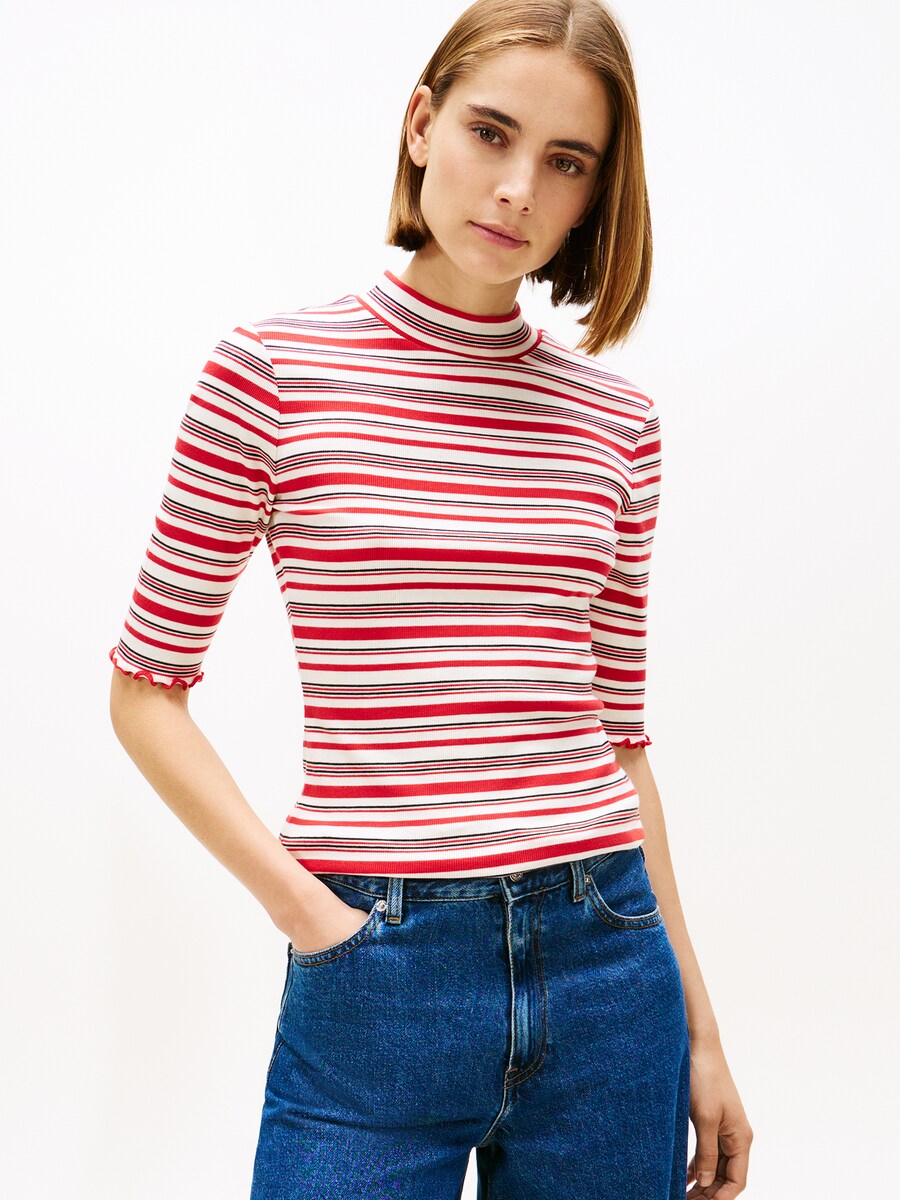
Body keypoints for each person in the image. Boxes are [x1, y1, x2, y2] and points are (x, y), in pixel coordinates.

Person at [107, 1, 753, 1196]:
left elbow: (620, 744)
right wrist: (313, 919)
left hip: (611, 970)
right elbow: (145, 690)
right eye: (490, 133)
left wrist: (703, 1036)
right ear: (421, 125)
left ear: (595, 195)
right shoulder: (272, 376)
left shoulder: (617, 424)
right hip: (376, 967)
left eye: (566, 162)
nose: (517, 189)